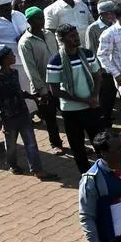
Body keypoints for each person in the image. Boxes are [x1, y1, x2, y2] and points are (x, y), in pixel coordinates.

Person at [0, 45, 53, 179]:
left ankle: (37, 169)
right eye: (11, 55)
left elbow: (18, 91)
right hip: (8, 117)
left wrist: (32, 97)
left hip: (23, 113)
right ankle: (12, 165)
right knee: (11, 145)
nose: (14, 56)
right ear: (5, 60)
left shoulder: (14, 73)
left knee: (31, 143)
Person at [47, 23, 104, 171]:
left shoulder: (87, 54)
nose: (76, 38)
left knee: (100, 143)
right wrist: (84, 100)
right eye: (71, 36)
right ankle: (86, 175)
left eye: (76, 34)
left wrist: (94, 96)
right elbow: (55, 91)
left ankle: (105, 171)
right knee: (78, 147)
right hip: (71, 111)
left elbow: (98, 75)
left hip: (91, 107)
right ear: (61, 39)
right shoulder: (55, 61)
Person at [18, 6, 65, 152]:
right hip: (43, 86)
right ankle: (56, 144)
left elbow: (59, 54)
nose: (41, 21)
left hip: (59, 82)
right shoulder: (25, 42)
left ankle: (78, 142)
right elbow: (30, 69)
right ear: (29, 21)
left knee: (69, 115)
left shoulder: (50, 34)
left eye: (42, 18)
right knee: (50, 118)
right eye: (37, 19)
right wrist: (42, 90)